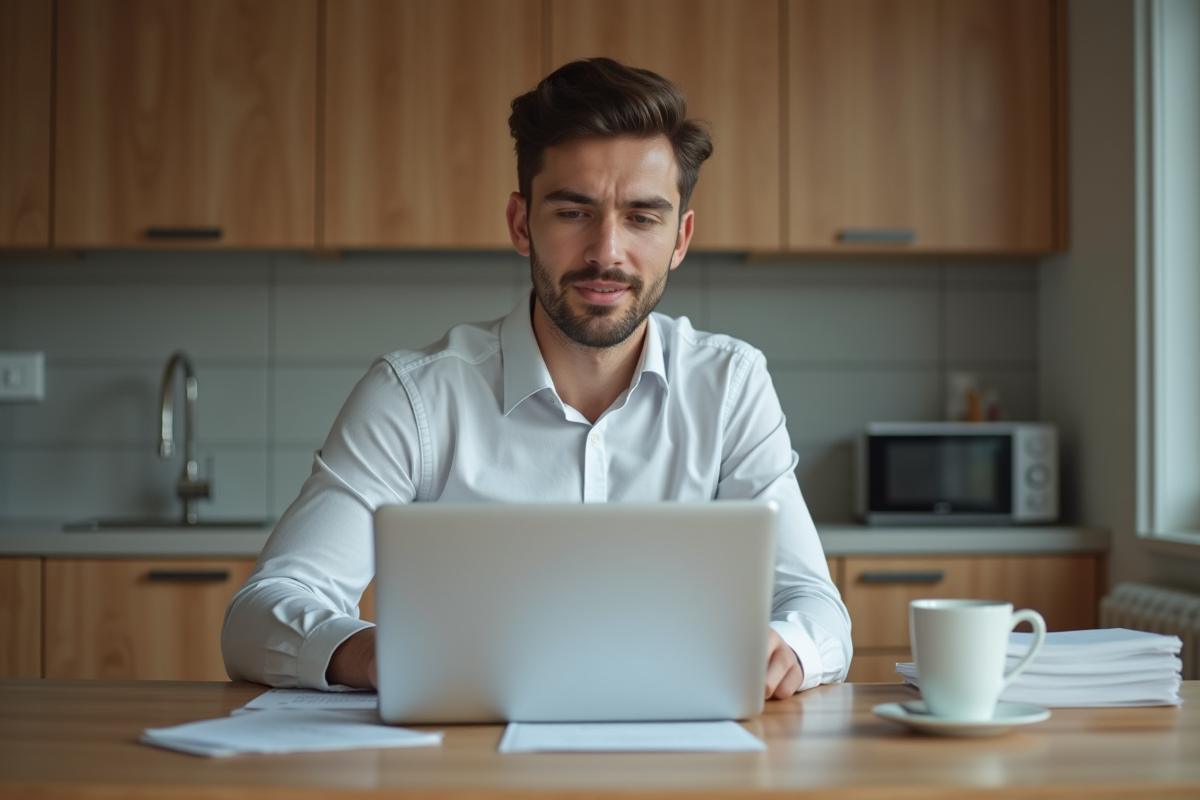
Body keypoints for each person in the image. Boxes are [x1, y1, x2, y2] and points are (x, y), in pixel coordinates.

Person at [222, 57, 852, 699]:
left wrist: (790, 648)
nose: (607, 251)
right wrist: (380, 653)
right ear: (522, 224)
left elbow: (814, 604)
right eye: (574, 212)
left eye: (642, 217)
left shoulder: (730, 386)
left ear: (680, 238)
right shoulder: (413, 398)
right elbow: (258, 614)